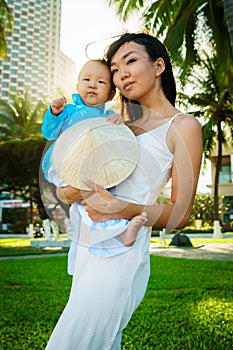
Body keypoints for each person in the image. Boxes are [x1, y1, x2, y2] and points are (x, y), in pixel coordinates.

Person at [45, 32, 202, 349]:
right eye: (115, 69)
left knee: (71, 341)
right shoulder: (114, 123)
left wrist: (118, 207)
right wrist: (70, 193)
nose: (121, 74)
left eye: (130, 61)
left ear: (158, 66)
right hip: (89, 246)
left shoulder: (183, 126)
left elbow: (181, 214)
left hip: (122, 251)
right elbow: (67, 189)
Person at [41, 58, 148, 274]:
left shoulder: (108, 115)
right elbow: (49, 132)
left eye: (101, 82)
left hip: (96, 170)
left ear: (110, 93)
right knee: (89, 204)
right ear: (77, 85)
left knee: (94, 208)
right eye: (86, 79)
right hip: (65, 166)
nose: (92, 84)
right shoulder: (68, 111)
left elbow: (118, 142)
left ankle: (117, 235)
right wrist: (53, 113)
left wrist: (118, 121)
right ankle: (116, 236)